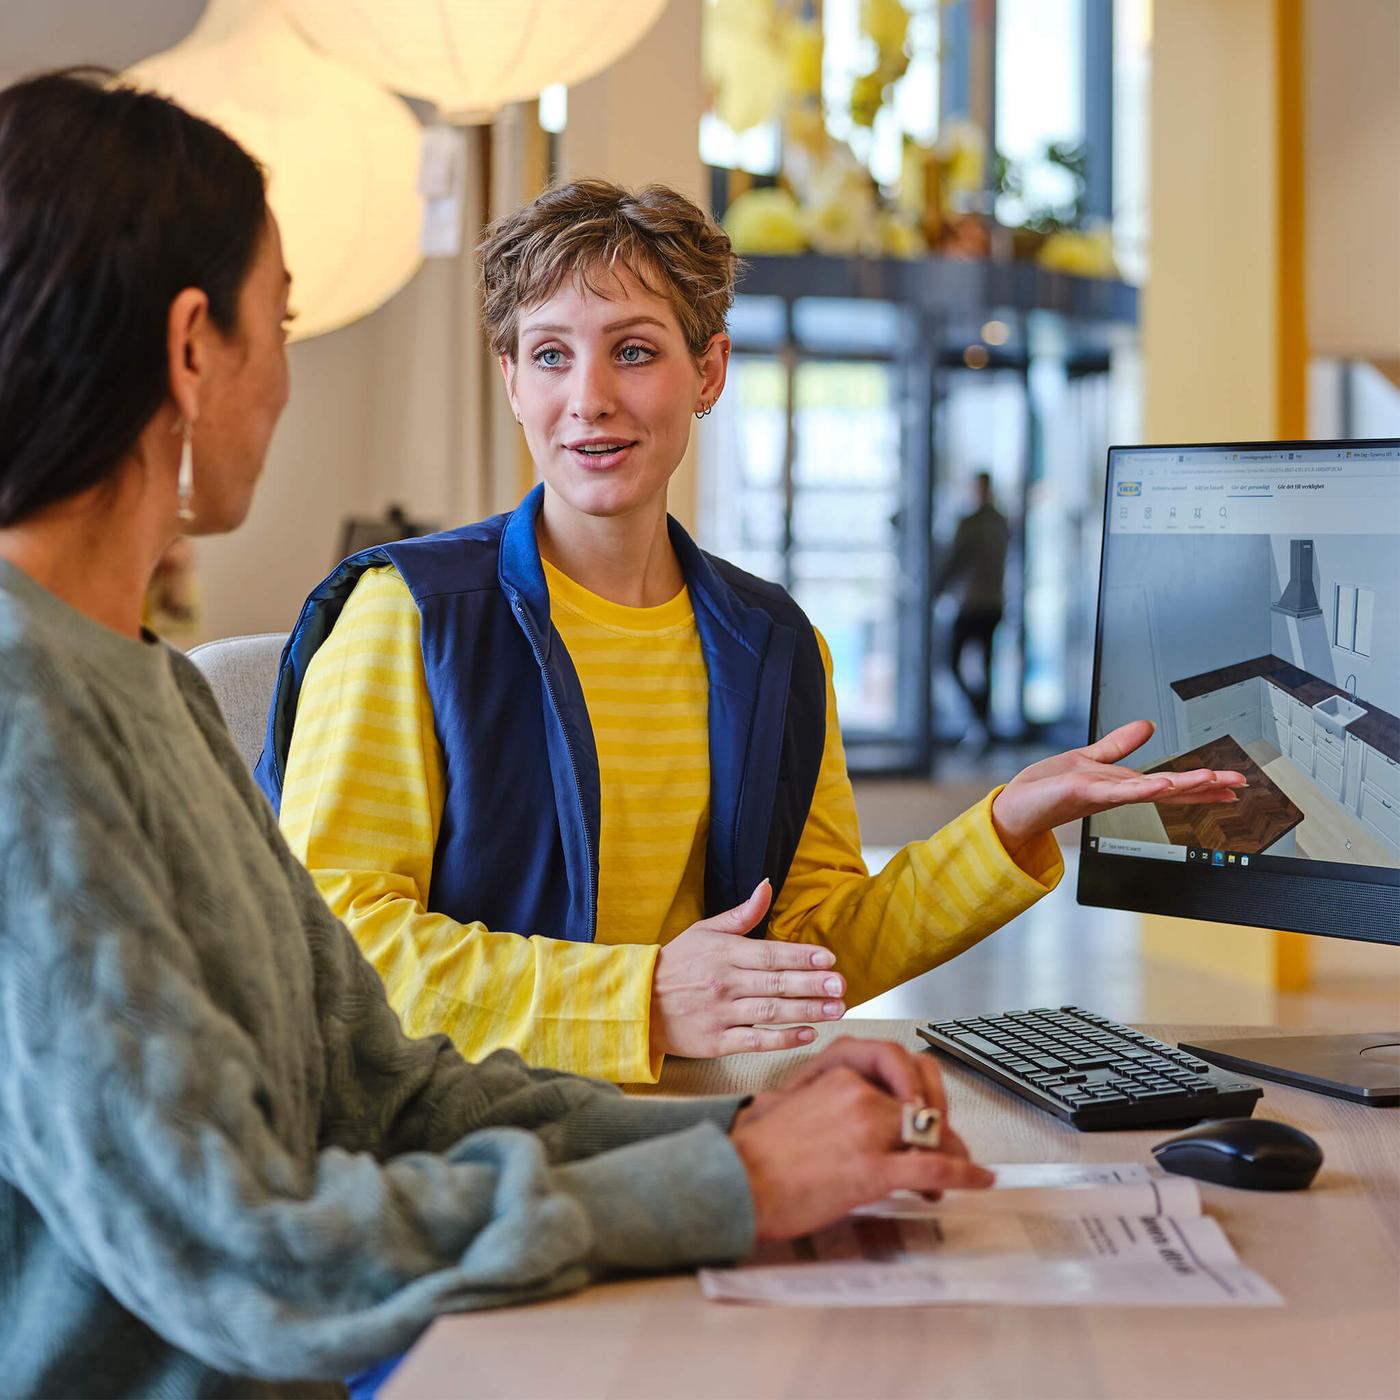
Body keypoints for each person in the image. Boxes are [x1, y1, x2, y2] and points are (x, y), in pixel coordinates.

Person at [0, 71, 996, 1397]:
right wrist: (728, 1183)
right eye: (280, 328)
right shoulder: (28, 726)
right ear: (195, 348)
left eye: (634, 351)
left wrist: (746, 1125)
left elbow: (384, 1092)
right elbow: (248, 1248)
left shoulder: (148, 687)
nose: (287, 384)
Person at [260, 180, 1245, 1085]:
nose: (589, 397)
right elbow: (330, 949)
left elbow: (808, 943)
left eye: (634, 350)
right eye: (551, 353)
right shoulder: (407, 619)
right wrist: (641, 999)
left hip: (685, 1122)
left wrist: (1002, 825)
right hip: (462, 1132)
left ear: (708, 370)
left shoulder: (770, 642)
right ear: (512, 377)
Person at [935, 469, 1010, 742]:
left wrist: (935, 590)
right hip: (995, 603)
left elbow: (954, 560)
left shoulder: (970, 523)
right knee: (986, 666)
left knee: (951, 662)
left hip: (973, 603)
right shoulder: (1002, 523)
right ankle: (983, 721)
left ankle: (980, 718)